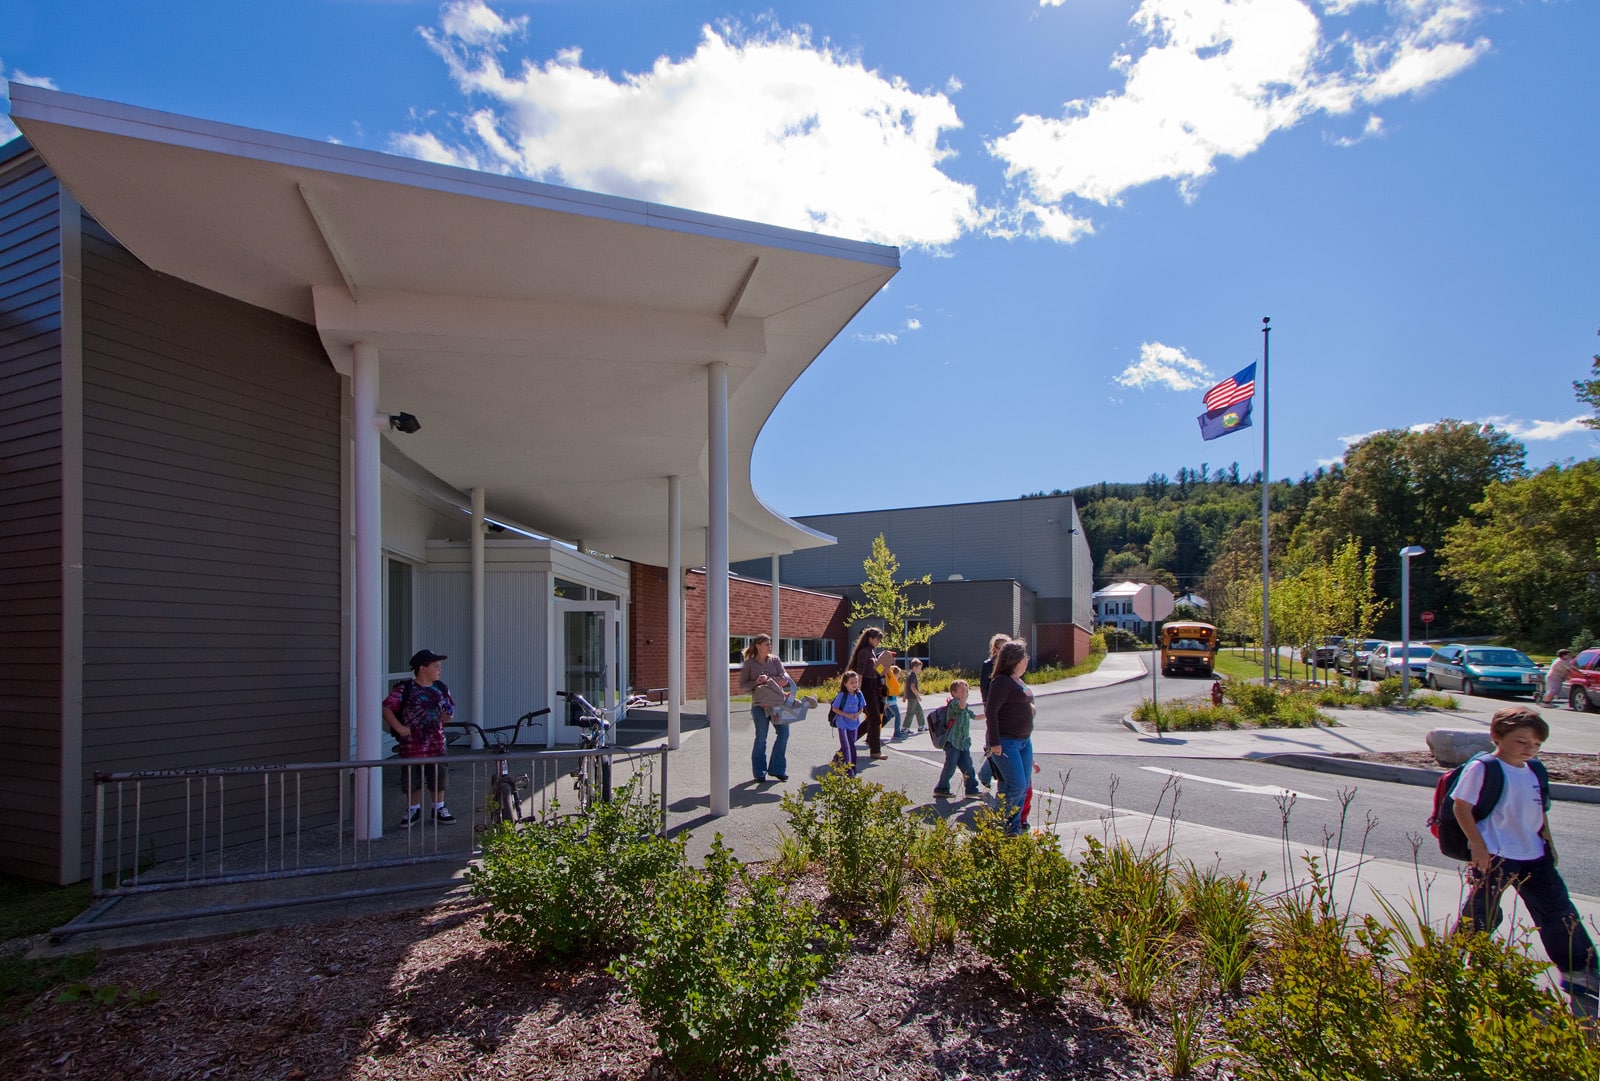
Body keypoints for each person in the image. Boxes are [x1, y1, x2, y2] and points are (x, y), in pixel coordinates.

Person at [1452, 705, 1598, 1017]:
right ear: (1497, 737)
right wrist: (1477, 847)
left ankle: (1581, 972)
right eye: (1521, 742)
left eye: (1535, 744)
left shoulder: (1535, 770)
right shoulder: (1484, 767)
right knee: (1482, 913)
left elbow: (1539, 810)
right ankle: (1452, 962)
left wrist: (1549, 842)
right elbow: (1461, 807)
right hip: (1496, 853)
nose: (1529, 749)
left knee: (1559, 913)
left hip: (1534, 853)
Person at [382, 649, 456, 827]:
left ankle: (439, 807)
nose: (439, 670)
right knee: (411, 777)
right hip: (412, 744)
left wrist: (447, 716)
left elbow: (449, 710)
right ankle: (413, 809)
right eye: (435, 666)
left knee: (438, 775)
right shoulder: (405, 689)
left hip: (436, 742)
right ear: (422, 668)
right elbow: (386, 707)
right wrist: (399, 728)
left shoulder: (440, 688)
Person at [984, 640, 1035, 835]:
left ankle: (1011, 827)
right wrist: (995, 742)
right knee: (1017, 786)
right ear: (1015, 660)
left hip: (1024, 741)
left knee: (1017, 787)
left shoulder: (1017, 680)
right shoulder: (1001, 681)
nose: (1027, 661)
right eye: (1025, 658)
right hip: (1006, 742)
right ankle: (997, 823)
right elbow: (991, 711)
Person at [741, 634, 793, 783]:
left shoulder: (775, 660)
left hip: (778, 706)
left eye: (770, 644)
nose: (769, 646)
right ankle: (760, 772)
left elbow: (785, 680)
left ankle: (777, 769)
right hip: (760, 706)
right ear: (758, 646)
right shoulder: (750, 663)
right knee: (761, 738)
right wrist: (756, 682)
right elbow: (744, 685)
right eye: (766, 644)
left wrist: (768, 680)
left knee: (784, 734)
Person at [847, 628, 890, 759]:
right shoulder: (864, 651)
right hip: (866, 687)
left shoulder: (871, 651)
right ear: (870, 638)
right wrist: (857, 692)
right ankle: (875, 751)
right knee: (875, 719)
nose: (878, 642)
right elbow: (859, 672)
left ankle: (847, 746)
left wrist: (884, 667)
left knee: (873, 719)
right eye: (877, 639)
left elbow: (875, 671)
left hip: (872, 686)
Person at [932, 679, 979, 798]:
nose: (965, 693)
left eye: (967, 691)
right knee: (951, 765)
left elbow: (975, 716)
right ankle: (942, 787)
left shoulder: (966, 706)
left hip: (963, 742)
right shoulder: (953, 704)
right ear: (953, 693)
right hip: (952, 742)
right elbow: (961, 707)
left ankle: (971, 788)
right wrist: (963, 695)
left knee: (968, 766)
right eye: (962, 691)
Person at [977, 634, 1010, 790]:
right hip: (994, 708)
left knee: (1001, 745)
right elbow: (984, 688)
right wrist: (988, 708)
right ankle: (986, 774)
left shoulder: (1010, 665)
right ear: (994, 649)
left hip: (1006, 709)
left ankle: (985, 773)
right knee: (994, 743)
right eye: (1000, 647)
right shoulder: (988, 665)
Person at [829, 670, 866, 777]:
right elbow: (835, 708)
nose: (854, 684)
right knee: (849, 748)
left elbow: (861, 708)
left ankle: (837, 758)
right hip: (843, 724)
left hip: (854, 724)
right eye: (851, 682)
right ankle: (850, 768)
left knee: (851, 744)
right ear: (845, 684)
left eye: (856, 682)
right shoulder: (842, 695)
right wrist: (847, 715)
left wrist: (857, 714)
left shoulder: (859, 694)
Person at [904, 659, 926, 734]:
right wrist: (918, 696)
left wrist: (904, 696)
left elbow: (906, 686)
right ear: (914, 667)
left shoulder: (910, 675)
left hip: (912, 697)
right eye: (919, 668)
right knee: (910, 712)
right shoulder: (913, 676)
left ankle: (921, 726)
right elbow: (912, 687)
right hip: (912, 697)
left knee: (919, 711)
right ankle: (905, 727)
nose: (920, 670)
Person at [885, 664, 906, 739]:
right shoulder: (891, 681)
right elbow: (890, 693)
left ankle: (877, 731)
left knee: (887, 718)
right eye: (898, 674)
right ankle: (897, 733)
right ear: (895, 674)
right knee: (898, 716)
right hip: (891, 702)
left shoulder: (891, 680)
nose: (899, 676)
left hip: (890, 702)